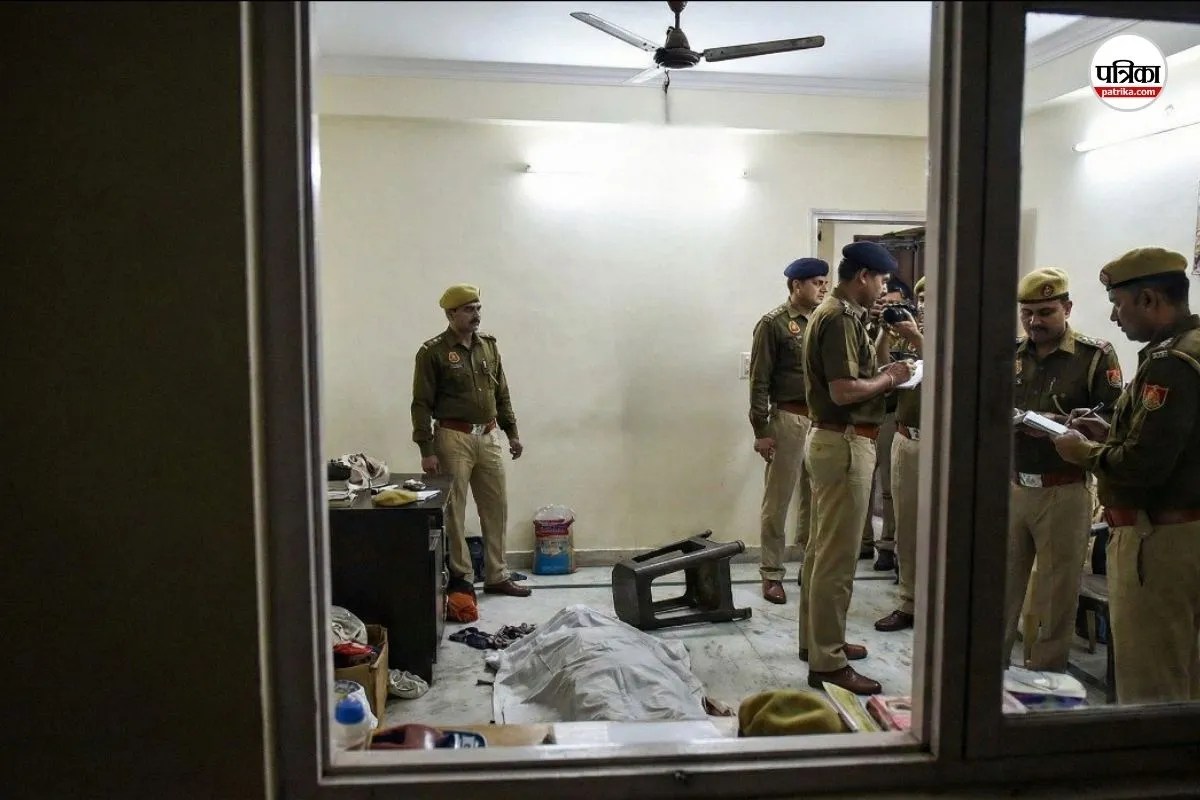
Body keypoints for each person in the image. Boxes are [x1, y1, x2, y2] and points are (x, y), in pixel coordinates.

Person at [1054, 247, 1200, 703]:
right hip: (1186, 531)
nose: (1114, 316)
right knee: (1186, 675)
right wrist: (1110, 434)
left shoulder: (1170, 362)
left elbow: (1143, 465)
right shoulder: (1192, 348)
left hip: (1159, 540)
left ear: (1150, 299)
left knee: (1150, 682)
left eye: (1119, 304)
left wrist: (1084, 452)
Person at [799, 241, 914, 695]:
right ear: (864, 276)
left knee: (821, 551)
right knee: (837, 559)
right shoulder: (840, 317)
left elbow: (856, 374)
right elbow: (845, 390)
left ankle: (816, 642)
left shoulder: (836, 313)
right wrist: (892, 378)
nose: (883, 288)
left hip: (835, 439)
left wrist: (884, 353)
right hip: (845, 442)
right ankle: (828, 661)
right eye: (881, 280)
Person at [1003, 268, 1121, 672]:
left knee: (1056, 594)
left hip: (1064, 488)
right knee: (999, 587)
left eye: (1046, 312)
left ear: (1067, 308)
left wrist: (1063, 424)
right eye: (1027, 313)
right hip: (1013, 485)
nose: (1034, 321)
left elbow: (1114, 418)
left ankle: (1045, 677)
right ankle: (989, 674)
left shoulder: (1094, 356)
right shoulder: (1009, 354)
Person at [411, 284, 531, 605]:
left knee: (496, 506)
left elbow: (501, 393)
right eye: (468, 309)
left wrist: (512, 432)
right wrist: (426, 450)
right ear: (451, 314)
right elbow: (421, 404)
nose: (476, 315)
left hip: (488, 436)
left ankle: (497, 575)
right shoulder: (432, 352)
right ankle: (461, 578)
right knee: (454, 511)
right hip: (453, 438)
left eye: (478, 308)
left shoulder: (488, 346)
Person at [749, 257, 830, 604]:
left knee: (818, 499)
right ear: (796, 285)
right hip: (788, 419)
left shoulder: (825, 321)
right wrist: (761, 430)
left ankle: (809, 567)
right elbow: (759, 380)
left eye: (825, 283)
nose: (823, 289)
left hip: (822, 421)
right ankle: (771, 572)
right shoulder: (774, 323)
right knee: (778, 500)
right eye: (816, 283)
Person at [874, 275, 926, 633]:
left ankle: (941, 604)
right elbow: (883, 370)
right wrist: (884, 333)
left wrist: (919, 339)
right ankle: (908, 602)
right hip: (907, 439)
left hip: (944, 444)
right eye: (921, 299)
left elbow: (952, 375)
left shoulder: (961, 335)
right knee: (907, 527)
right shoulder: (908, 335)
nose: (923, 306)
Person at [863, 275, 919, 570]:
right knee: (866, 481)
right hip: (868, 412)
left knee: (890, 485)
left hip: (895, 414)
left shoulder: (918, 332)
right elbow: (880, 364)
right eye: (885, 304)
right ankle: (866, 542)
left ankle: (888, 544)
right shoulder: (865, 323)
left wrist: (911, 333)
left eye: (897, 305)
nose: (892, 311)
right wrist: (882, 329)